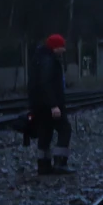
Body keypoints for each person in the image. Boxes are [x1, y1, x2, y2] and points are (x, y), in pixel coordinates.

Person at [28, 33, 73, 175]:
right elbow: (46, 84)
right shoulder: (49, 61)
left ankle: (43, 165)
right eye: (61, 47)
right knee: (65, 129)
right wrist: (54, 105)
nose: (63, 50)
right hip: (50, 105)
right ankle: (60, 162)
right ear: (55, 47)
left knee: (45, 133)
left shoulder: (38, 59)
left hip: (38, 105)